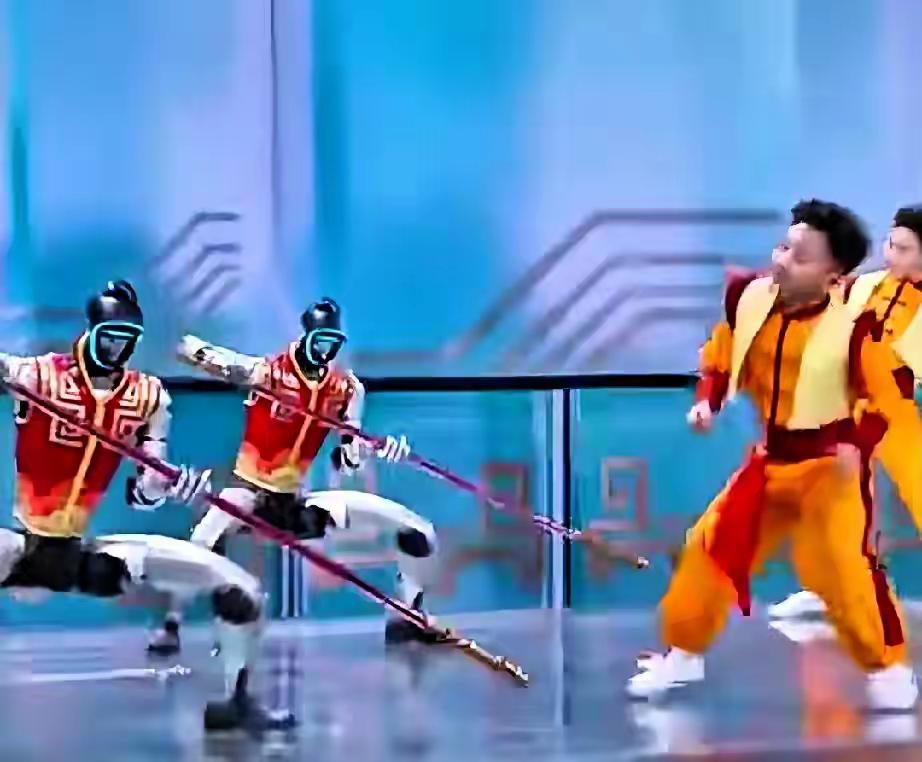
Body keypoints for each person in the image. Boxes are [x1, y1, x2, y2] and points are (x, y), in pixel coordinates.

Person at [626, 200, 921, 711]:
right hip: (770, 462)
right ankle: (684, 653)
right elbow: (721, 355)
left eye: (800, 257)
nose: (782, 261)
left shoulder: (855, 326)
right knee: (709, 551)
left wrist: (857, 444)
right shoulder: (751, 299)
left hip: (829, 468)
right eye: (783, 247)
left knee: (846, 571)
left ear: (833, 275)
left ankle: (888, 667)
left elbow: (884, 396)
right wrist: (708, 401)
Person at [0, 280, 294, 732]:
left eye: (127, 340)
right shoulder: (37, 376)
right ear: (91, 331)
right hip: (22, 542)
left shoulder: (147, 397)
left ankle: (235, 703)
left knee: (240, 587)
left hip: (82, 551)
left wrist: (165, 486)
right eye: (110, 337)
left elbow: (143, 494)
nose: (117, 349)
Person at [148, 297, 440, 656]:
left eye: (332, 343)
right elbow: (213, 359)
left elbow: (348, 458)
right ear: (306, 337)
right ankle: (170, 625)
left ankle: (408, 616)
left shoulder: (346, 390)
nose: (325, 351)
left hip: (294, 501)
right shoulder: (268, 373)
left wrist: (372, 450)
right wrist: (180, 343)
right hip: (248, 491)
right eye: (320, 341)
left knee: (413, 527)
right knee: (202, 540)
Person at [769, 204, 922, 620]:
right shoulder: (865, 285)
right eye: (891, 244)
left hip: (894, 411)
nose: (891, 254)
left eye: (903, 249)